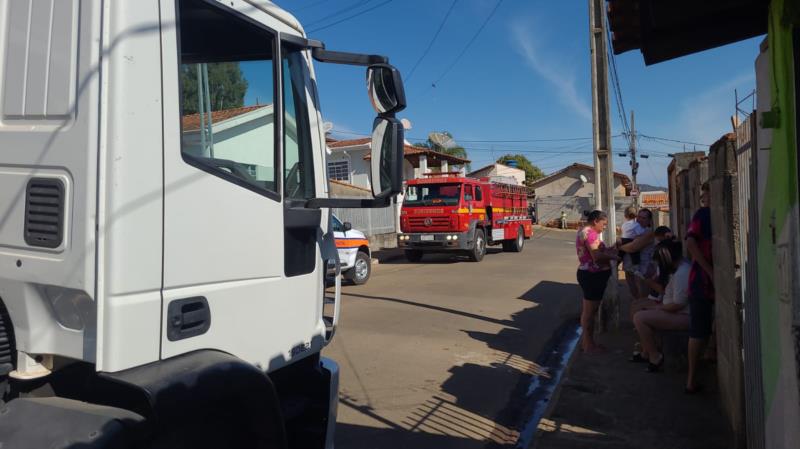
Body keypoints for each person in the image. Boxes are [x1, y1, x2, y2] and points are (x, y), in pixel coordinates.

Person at [631, 239, 691, 372]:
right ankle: (647, 351)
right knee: (639, 310)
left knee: (639, 318)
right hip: (675, 311)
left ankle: (655, 356)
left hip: (683, 315)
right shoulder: (680, 268)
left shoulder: (682, 273)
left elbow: (678, 304)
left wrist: (658, 308)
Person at [576, 210, 618, 353]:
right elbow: (597, 257)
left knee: (588, 311)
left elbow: (599, 251)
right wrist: (614, 257)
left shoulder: (586, 231)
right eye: (604, 224)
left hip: (590, 274)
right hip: (592, 276)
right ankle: (589, 345)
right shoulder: (590, 233)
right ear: (595, 221)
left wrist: (611, 250)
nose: (605, 227)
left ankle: (586, 342)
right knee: (590, 312)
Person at [685, 182, 714, 394]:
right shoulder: (703, 215)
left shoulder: (711, 214)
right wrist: (710, 272)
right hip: (701, 284)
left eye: (706, 194)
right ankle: (691, 380)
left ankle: (708, 356)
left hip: (705, 282)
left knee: (707, 328)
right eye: (702, 194)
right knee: (699, 330)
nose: (703, 198)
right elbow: (691, 243)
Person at [619, 207, 648, 300]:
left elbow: (633, 247)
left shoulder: (648, 232)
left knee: (638, 281)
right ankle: (638, 300)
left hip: (642, 264)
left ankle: (640, 300)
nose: (640, 220)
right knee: (633, 280)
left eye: (644, 218)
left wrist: (621, 247)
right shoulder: (637, 226)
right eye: (639, 217)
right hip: (630, 261)